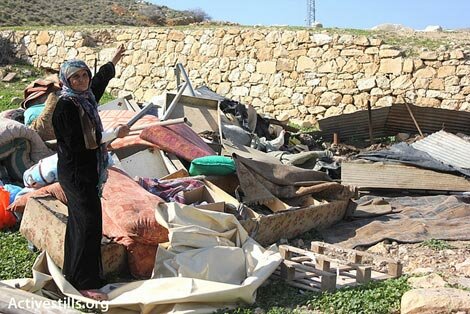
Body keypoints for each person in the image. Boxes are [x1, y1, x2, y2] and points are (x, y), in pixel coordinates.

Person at [52, 44, 129, 300]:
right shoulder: (66, 106)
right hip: (75, 174)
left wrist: (113, 60)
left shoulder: (86, 98)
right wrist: (112, 134)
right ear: (66, 80)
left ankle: (74, 274)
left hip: (86, 172)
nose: (83, 80)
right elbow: (79, 142)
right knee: (88, 224)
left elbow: (100, 81)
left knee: (80, 223)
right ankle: (85, 283)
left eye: (84, 74)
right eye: (76, 77)